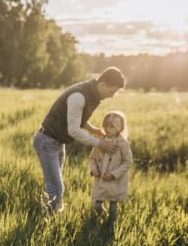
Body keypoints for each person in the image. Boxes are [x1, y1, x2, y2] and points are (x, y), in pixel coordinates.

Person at [33, 67, 125, 214]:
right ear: (102, 85)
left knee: (55, 184)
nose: (112, 96)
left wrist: (94, 130)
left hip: (57, 141)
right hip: (47, 141)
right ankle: (49, 219)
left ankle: (51, 214)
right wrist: (101, 144)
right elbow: (74, 130)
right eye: (111, 92)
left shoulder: (91, 94)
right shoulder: (79, 96)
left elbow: (77, 118)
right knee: (56, 186)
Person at [89, 111, 133, 223]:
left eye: (112, 126)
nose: (107, 129)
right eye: (105, 126)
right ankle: (103, 217)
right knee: (96, 204)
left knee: (113, 205)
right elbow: (92, 158)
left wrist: (114, 174)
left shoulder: (123, 144)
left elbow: (128, 162)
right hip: (101, 178)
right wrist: (94, 169)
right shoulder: (100, 141)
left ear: (119, 128)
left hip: (115, 180)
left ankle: (111, 225)